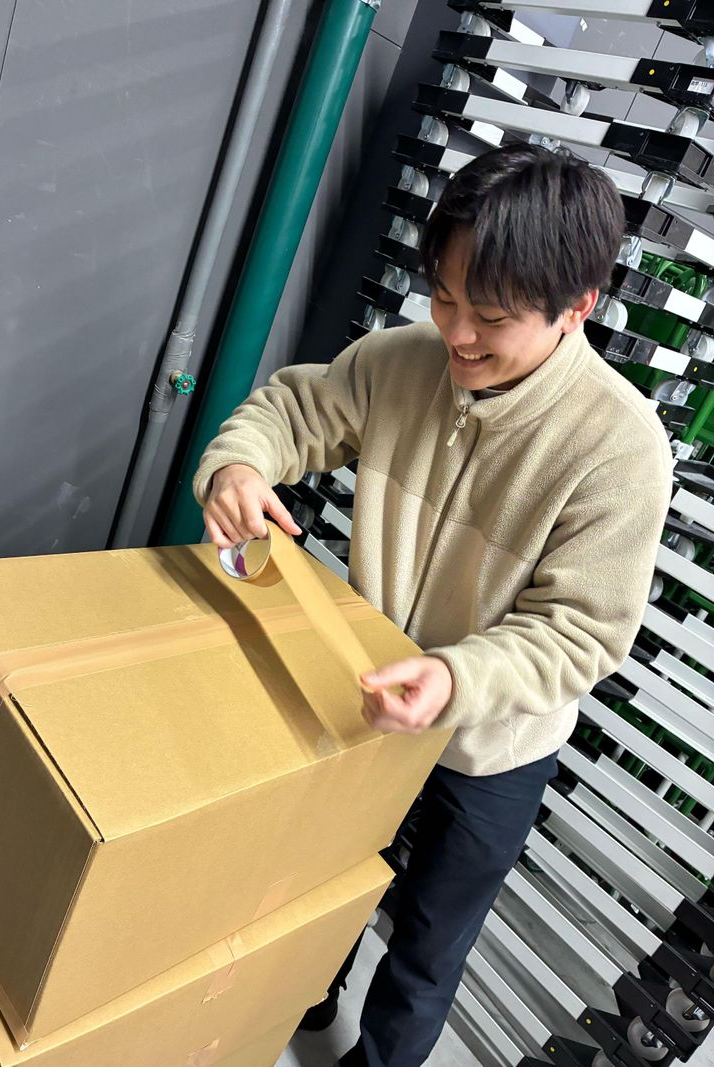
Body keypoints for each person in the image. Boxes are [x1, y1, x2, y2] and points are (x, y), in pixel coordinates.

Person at [192, 143, 673, 1067]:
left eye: (491, 316)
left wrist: (455, 679)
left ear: (579, 306)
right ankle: (293, 1009)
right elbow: (293, 411)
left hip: (493, 748)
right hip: (365, 702)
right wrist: (240, 466)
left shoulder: (622, 447)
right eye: (444, 296)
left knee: (424, 949)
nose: (456, 335)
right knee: (321, 891)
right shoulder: (401, 361)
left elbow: (582, 630)